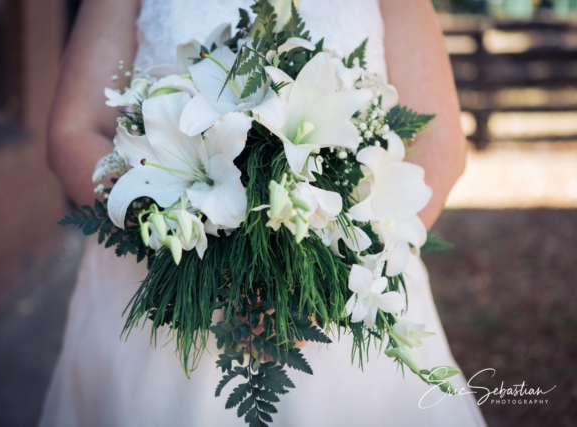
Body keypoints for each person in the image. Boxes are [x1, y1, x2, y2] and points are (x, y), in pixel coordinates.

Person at [42, 0, 486, 425]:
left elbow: (439, 138)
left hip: (341, 303)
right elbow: (73, 129)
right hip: (161, 293)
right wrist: (183, 245)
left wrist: (332, 282)